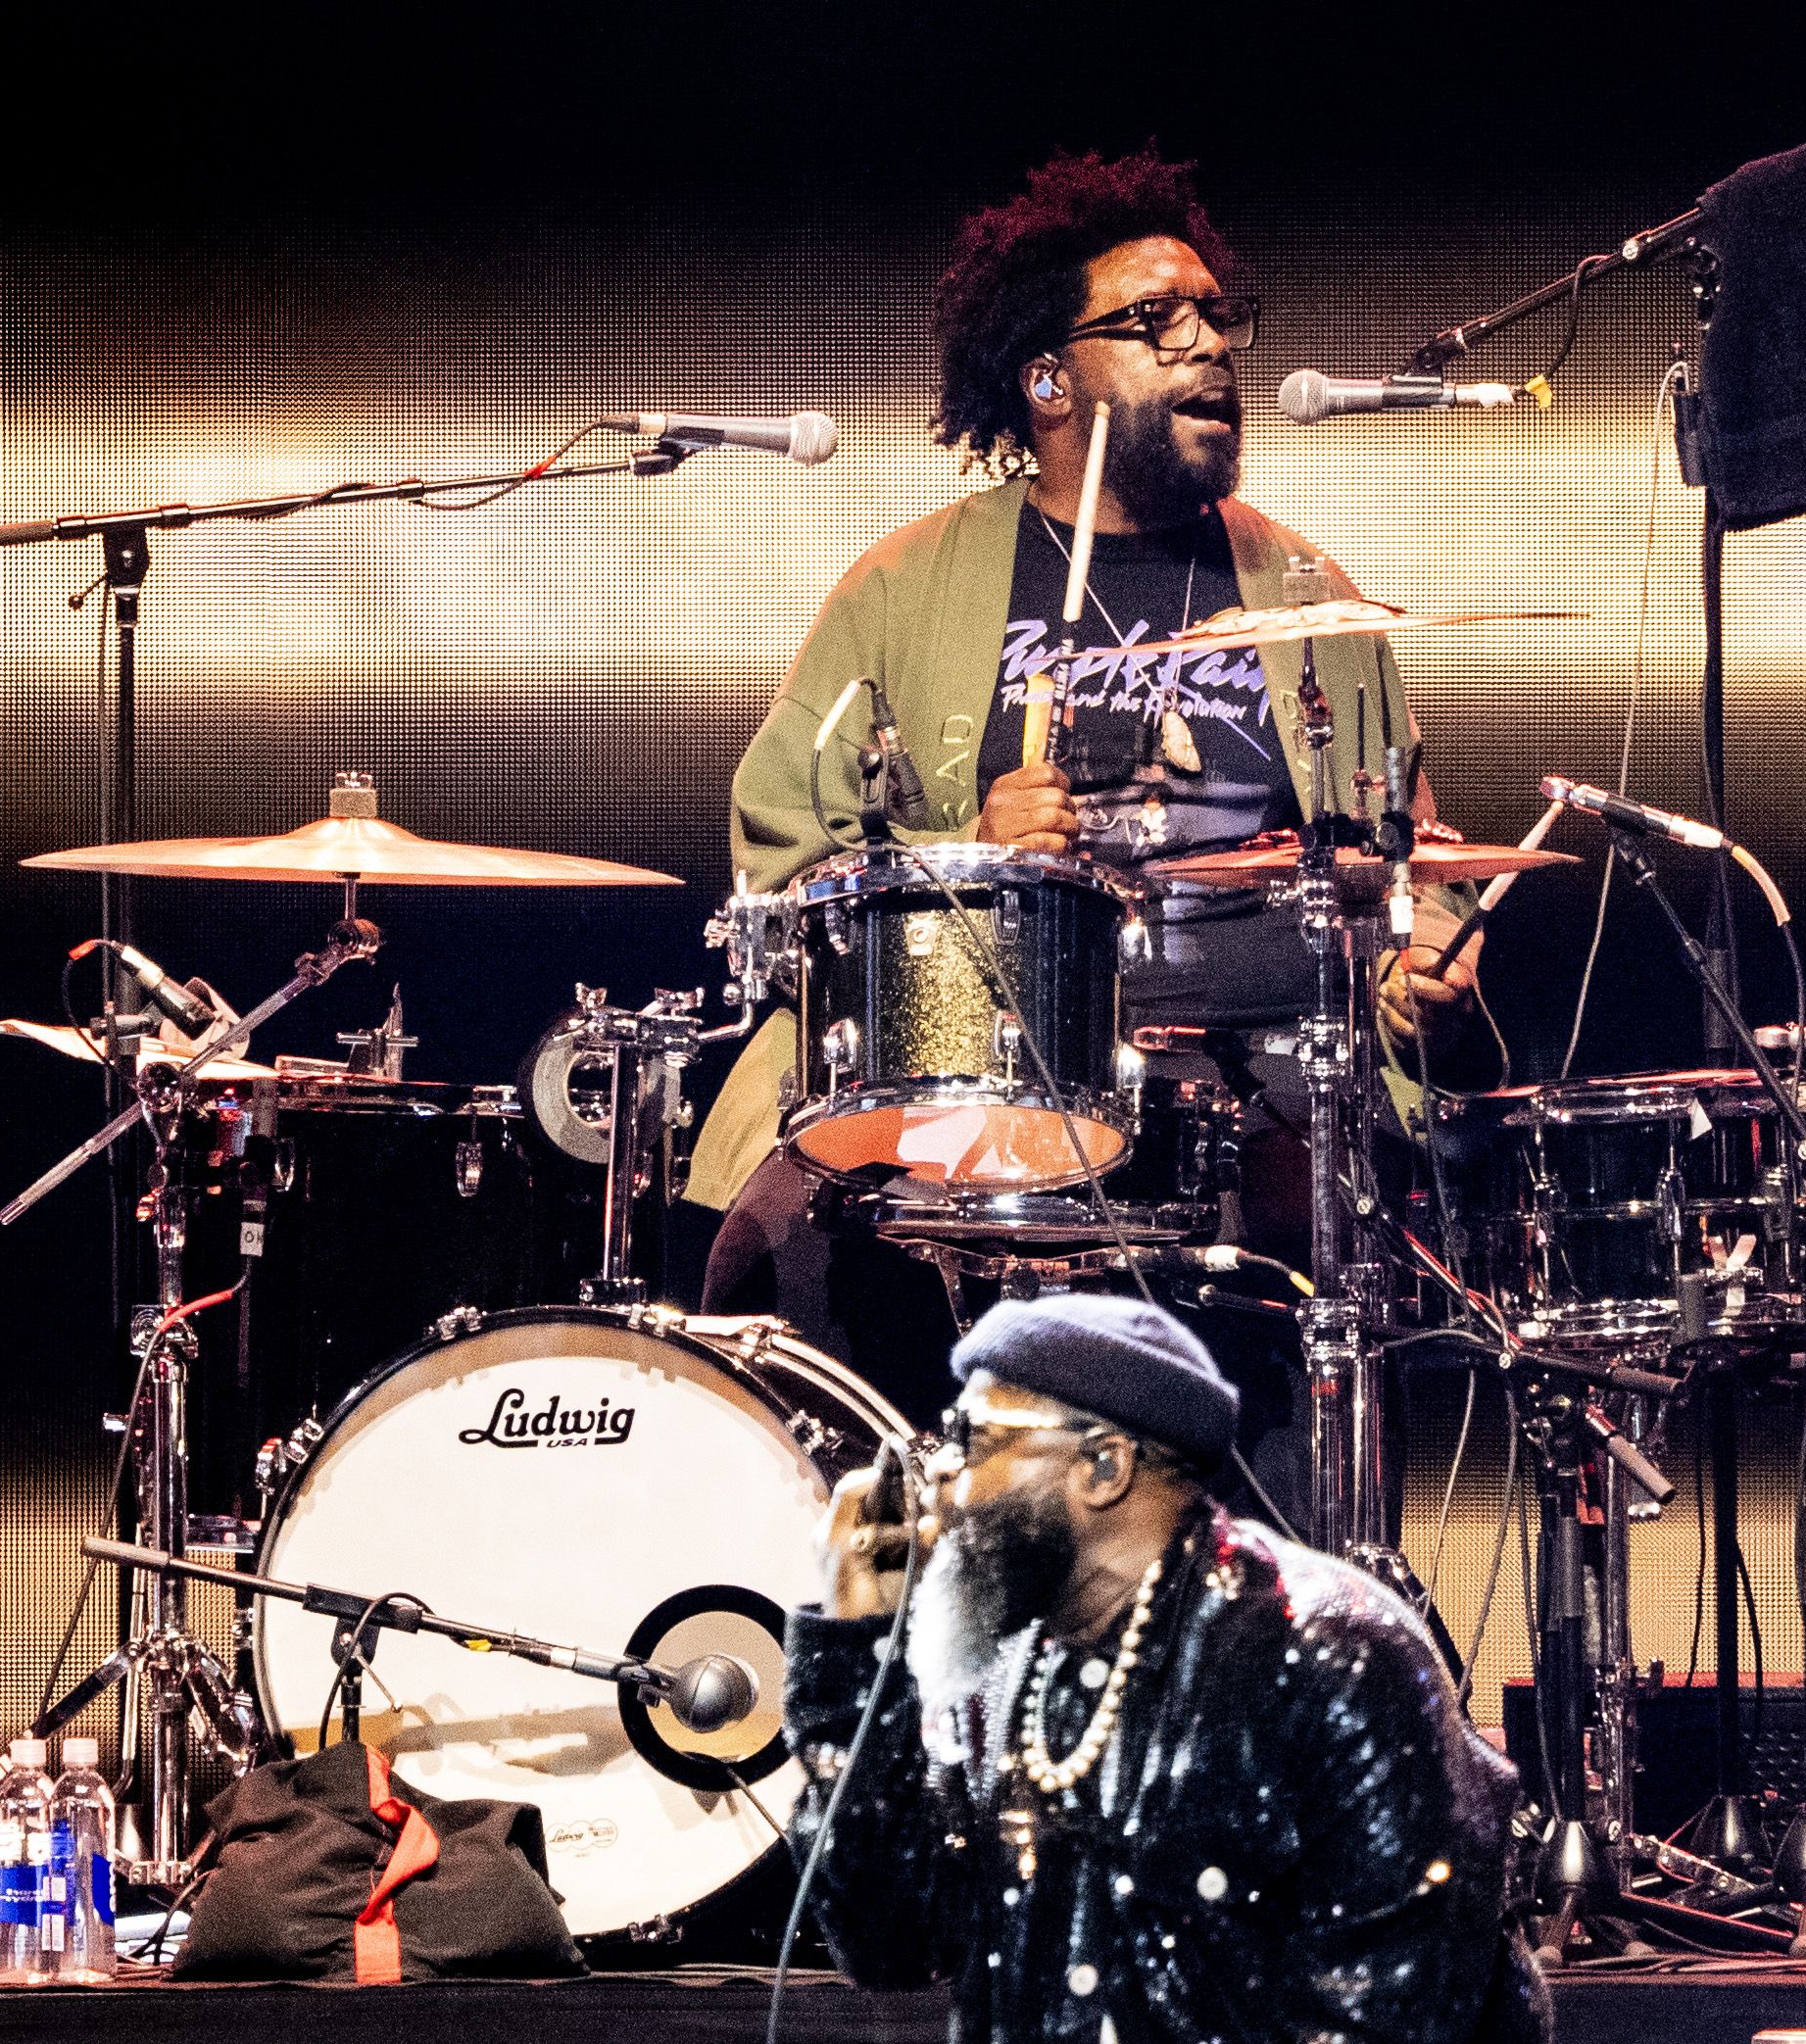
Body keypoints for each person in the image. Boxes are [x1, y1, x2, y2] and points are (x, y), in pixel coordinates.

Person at [684, 149, 1506, 1436]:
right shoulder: (903, 593)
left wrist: (1426, 973)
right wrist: (965, 852)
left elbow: (1417, 862)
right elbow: (785, 874)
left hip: (1260, 1174)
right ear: (1047, 377)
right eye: (1152, 321)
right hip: (954, 1164)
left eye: (1215, 315)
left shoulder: (1310, 598)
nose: (1206, 345)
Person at [781, 1292, 1544, 2042]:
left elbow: (1390, 2011)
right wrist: (857, 1642)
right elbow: (887, 1943)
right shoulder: (1002, 1669)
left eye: (970, 1439)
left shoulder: (1331, 1656)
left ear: (1104, 1467)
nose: (939, 1475)